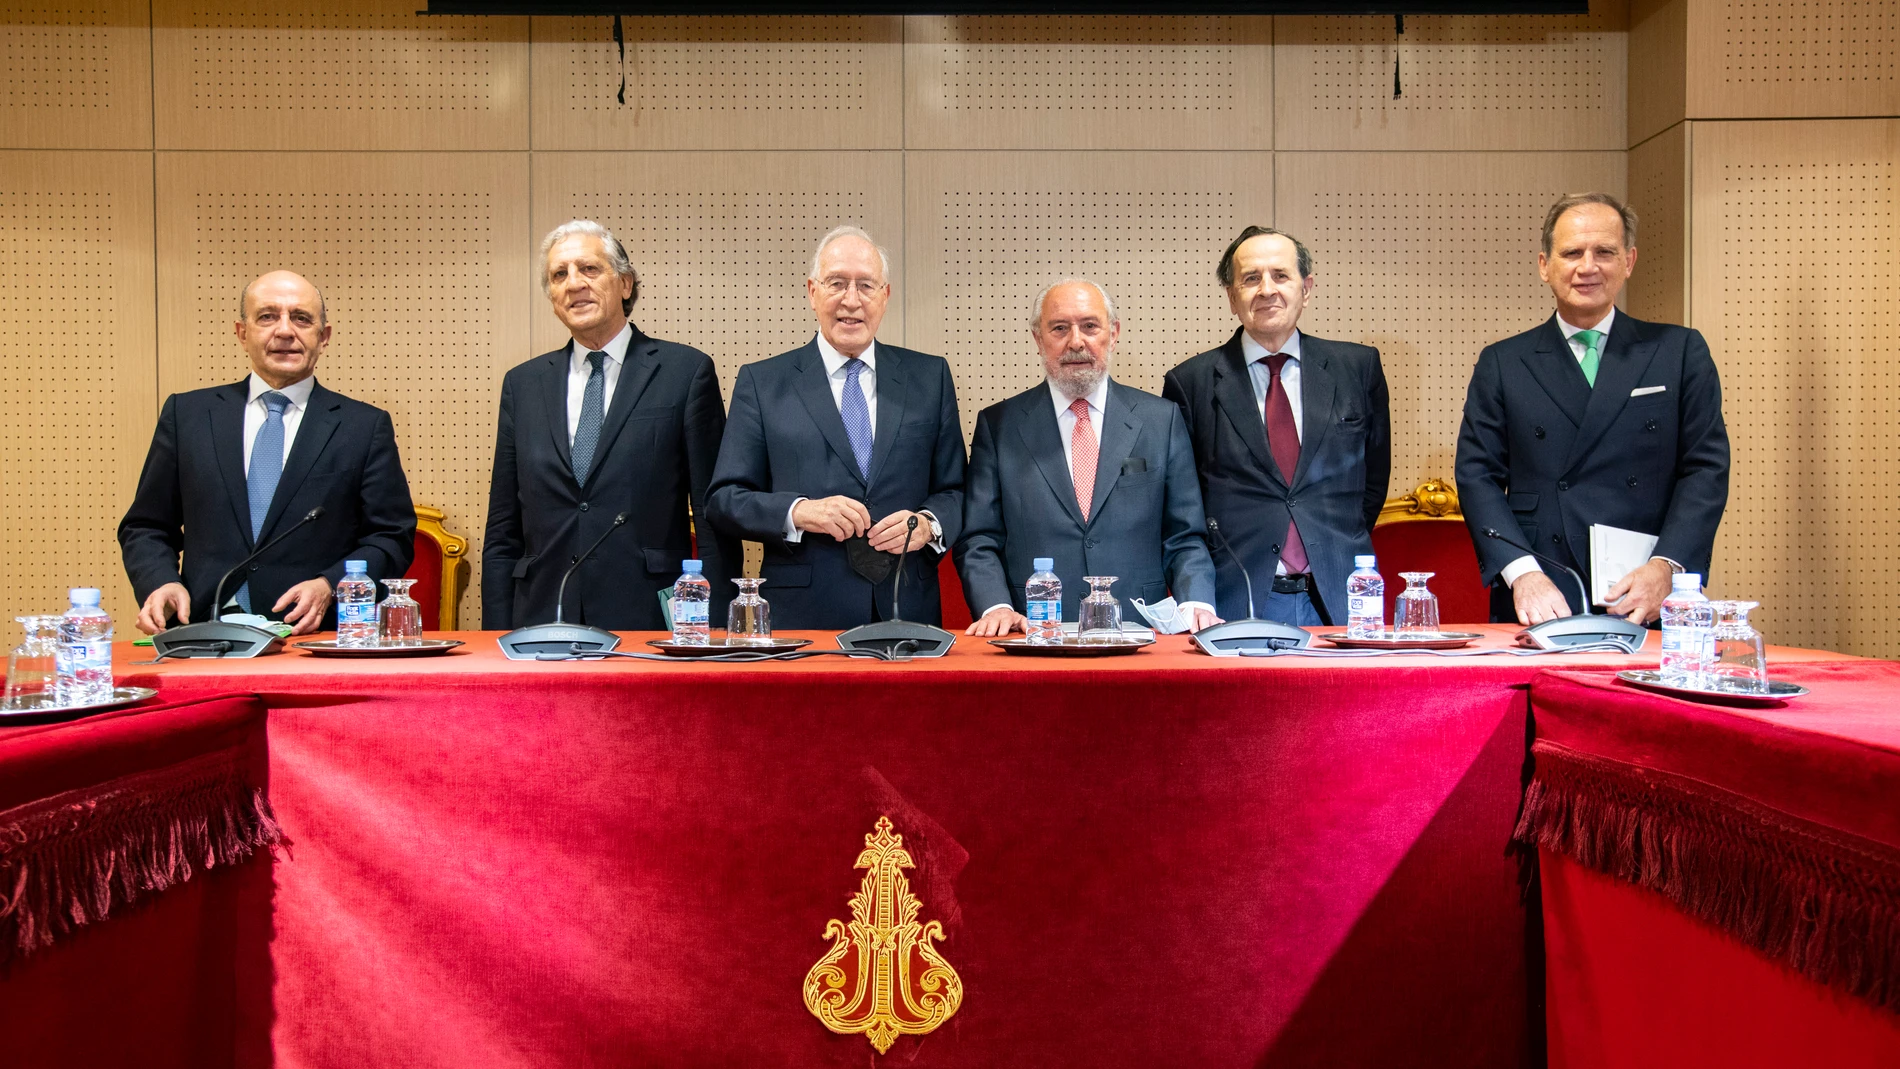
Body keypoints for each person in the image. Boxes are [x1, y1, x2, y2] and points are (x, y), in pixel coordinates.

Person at [1455, 192, 1729, 626]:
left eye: (1604, 252)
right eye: (1572, 253)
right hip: (1542, 584)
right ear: (1545, 265)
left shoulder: (1678, 351)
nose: (1588, 267)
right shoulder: (1504, 362)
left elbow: (1706, 469)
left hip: (1647, 587)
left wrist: (1667, 567)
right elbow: (1477, 475)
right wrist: (1521, 572)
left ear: (1628, 261)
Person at [119, 270, 415, 635]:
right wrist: (161, 582)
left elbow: (391, 536)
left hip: (314, 637)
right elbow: (146, 526)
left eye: (301, 318)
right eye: (267, 316)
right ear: (242, 333)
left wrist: (330, 585)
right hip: (204, 632)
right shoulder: (188, 416)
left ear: (324, 337)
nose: (285, 331)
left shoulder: (363, 426)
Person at [706, 226, 965, 630]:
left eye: (866, 285)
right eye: (837, 283)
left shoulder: (930, 378)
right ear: (812, 292)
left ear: (885, 296)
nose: (852, 300)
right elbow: (724, 500)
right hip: (803, 616)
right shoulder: (763, 383)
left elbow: (956, 490)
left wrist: (929, 526)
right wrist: (799, 512)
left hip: (906, 609)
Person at [484, 219, 734, 630]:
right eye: (559, 275)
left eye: (589, 269)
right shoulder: (523, 384)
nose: (574, 284)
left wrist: (716, 623)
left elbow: (712, 516)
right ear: (552, 298)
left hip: (646, 612)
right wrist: (495, 632)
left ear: (625, 283)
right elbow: (502, 525)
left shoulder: (684, 372)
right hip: (542, 612)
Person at [959, 279, 1219, 636]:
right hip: (1033, 631)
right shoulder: (999, 426)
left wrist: (1196, 602)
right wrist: (996, 606)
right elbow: (979, 539)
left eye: (1090, 326)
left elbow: (1185, 535)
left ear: (1113, 334)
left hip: (1141, 634)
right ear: (1038, 339)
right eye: (1059, 328)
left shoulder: (1161, 420)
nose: (1076, 342)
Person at [1163, 227, 1391, 626]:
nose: (1267, 289)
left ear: (1307, 288)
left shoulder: (1358, 368)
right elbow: (1183, 506)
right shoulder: (1190, 382)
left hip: (1341, 599)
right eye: (1251, 278)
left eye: (1280, 275)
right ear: (1232, 297)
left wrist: (1329, 544)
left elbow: (1372, 481)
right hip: (1238, 599)